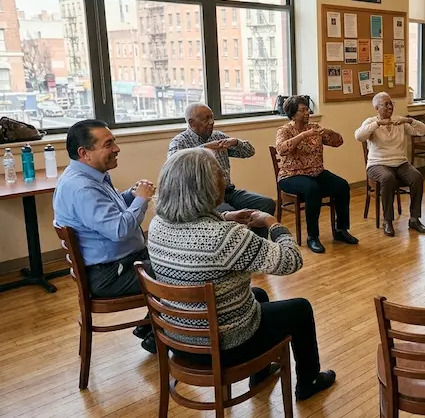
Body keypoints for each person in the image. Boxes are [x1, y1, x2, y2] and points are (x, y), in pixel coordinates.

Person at [146, 148, 336, 401]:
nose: (225, 178)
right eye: (220, 174)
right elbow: (291, 260)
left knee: (258, 293)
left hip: (178, 337)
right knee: (300, 308)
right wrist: (273, 223)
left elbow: (196, 223)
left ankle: (261, 372)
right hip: (224, 346)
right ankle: (308, 381)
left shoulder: (157, 224)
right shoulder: (227, 238)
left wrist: (226, 216)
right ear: (207, 186)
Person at [53, 119, 157, 353]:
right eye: (108, 144)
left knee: (174, 252)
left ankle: (153, 328)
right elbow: (118, 230)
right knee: (180, 270)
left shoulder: (88, 176)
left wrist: (130, 196)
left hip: (117, 261)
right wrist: (141, 199)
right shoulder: (83, 189)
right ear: (84, 153)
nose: (117, 149)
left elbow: (106, 211)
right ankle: (167, 336)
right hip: (110, 274)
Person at [168, 103, 275, 237]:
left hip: (228, 191)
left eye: (212, 118)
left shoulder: (218, 136)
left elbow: (250, 152)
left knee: (265, 204)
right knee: (230, 216)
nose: (211, 122)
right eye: (205, 119)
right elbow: (174, 164)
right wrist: (204, 148)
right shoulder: (179, 142)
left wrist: (236, 142)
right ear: (191, 122)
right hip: (203, 197)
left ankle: (257, 244)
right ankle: (236, 250)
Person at [275, 96, 358, 254]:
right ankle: (312, 236)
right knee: (313, 190)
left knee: (342, 186)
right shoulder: (284, 130)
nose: (307, 113)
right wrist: (303, 136)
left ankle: (341, 230)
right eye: (302, 110)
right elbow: (281, 149)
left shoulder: (314, 127)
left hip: (316, 171)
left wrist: (326, 132)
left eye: (307, 109)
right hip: (290, 175)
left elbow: (338, 142)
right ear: (293, 114)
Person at [355, 92, 425, 236]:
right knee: (387, 178)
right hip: (377, 164)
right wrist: (377, 124)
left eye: (391, 104)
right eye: (386, 104)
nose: (390, 107)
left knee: (417, 177)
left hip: (400, 163)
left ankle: (414, 219)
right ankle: (387, 220)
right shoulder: (371, 122)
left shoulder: (399, 121)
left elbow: (424, 131)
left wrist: (409, 121)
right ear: (377, 108)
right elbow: (358, 136)